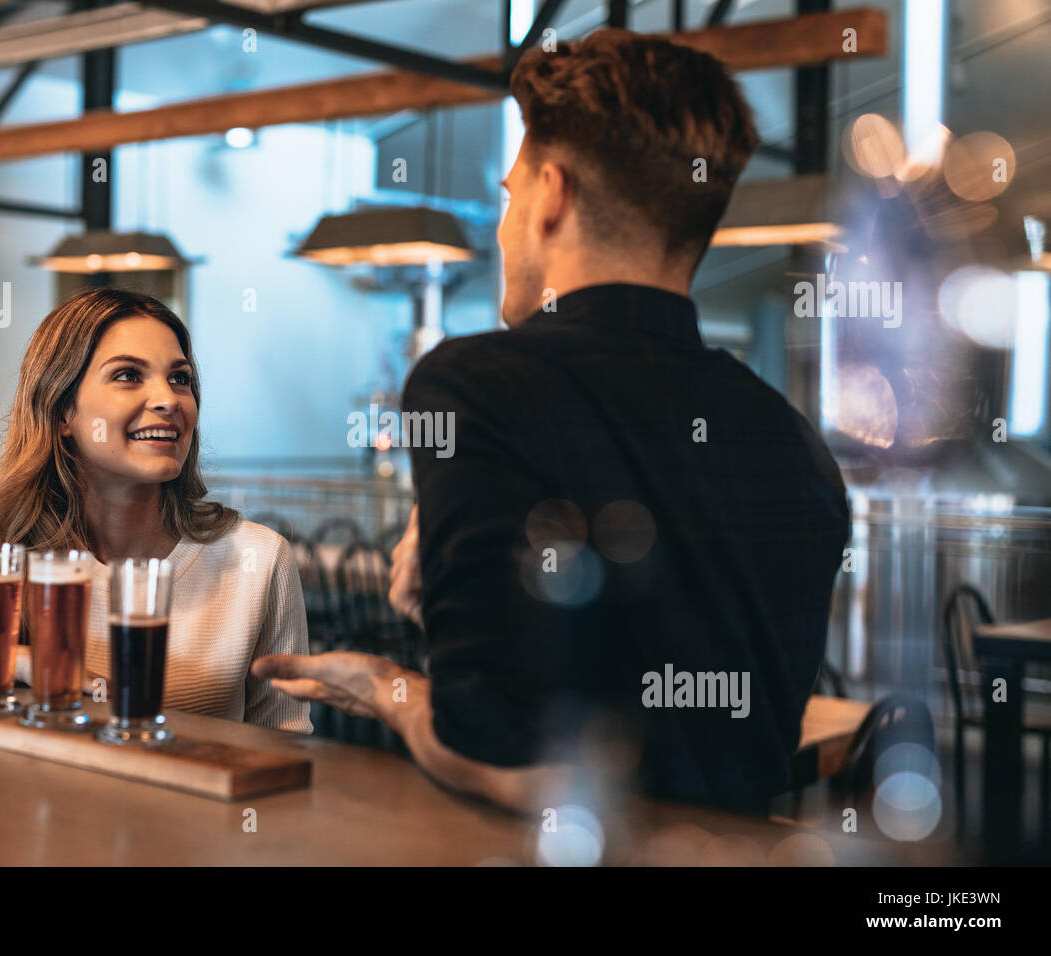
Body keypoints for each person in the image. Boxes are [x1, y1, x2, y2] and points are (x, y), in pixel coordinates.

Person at [253, 29, 850, 811]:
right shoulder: (794, 439)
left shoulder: (472, 384)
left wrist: (388, 687)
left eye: (508, 195)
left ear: (552, 195)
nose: (503, 227)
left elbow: (501, 750)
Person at [0, 287, 311, 733]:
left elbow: (286, 741)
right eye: (128, 376)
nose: (168, 400)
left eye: (180, 379)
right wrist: (19, 660)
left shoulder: (259, 558)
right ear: (63, 411)